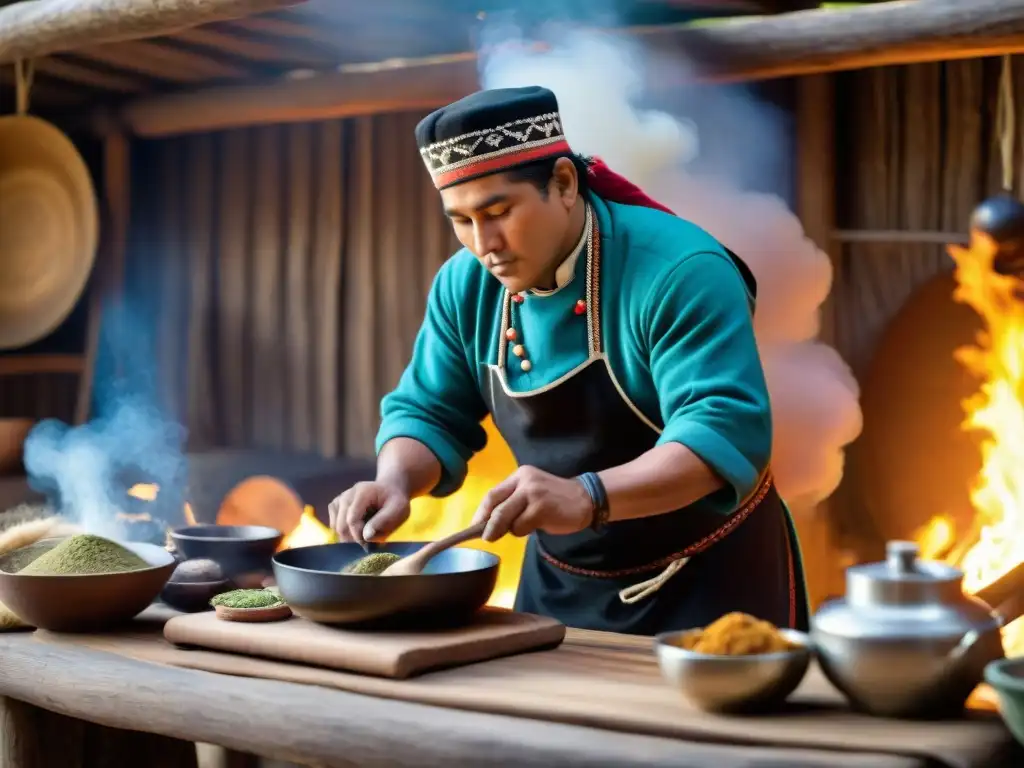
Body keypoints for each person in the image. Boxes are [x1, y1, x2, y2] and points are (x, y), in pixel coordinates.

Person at [329, 85, 810, 636]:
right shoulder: (464, 284)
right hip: (559, 585)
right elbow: (430, 410)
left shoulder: (681, 270)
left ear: (562, 183)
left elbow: (720, 432)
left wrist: (585, 496)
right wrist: (394, 480)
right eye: (460, 221)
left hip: (708, 586)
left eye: (498, 211)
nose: (483, 244)